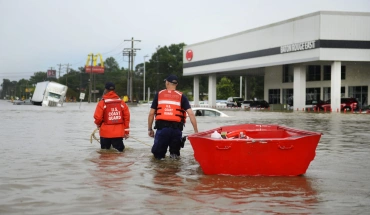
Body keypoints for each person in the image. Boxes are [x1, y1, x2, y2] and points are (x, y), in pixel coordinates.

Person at [148, 75, 198, 160]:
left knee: (157, 158)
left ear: (167, 82)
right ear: (176, 84)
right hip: (176, 131)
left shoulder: (159, 94)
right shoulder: (182, 96)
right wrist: (196, 131)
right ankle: (173, 171)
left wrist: (150, 129)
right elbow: (191, 114)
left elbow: (151, 114)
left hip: (162, 130)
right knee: (174, 157)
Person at [94, 82, 130, 152]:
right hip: (118, 133)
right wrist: (126, 132)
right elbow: (127, 117)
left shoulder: (102, 103)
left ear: (105, 90)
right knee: (119, 155)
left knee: (105, 155)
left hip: (105, 133)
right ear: (114, 90)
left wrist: (98, 125)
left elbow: (98, 118)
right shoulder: (122, 103)